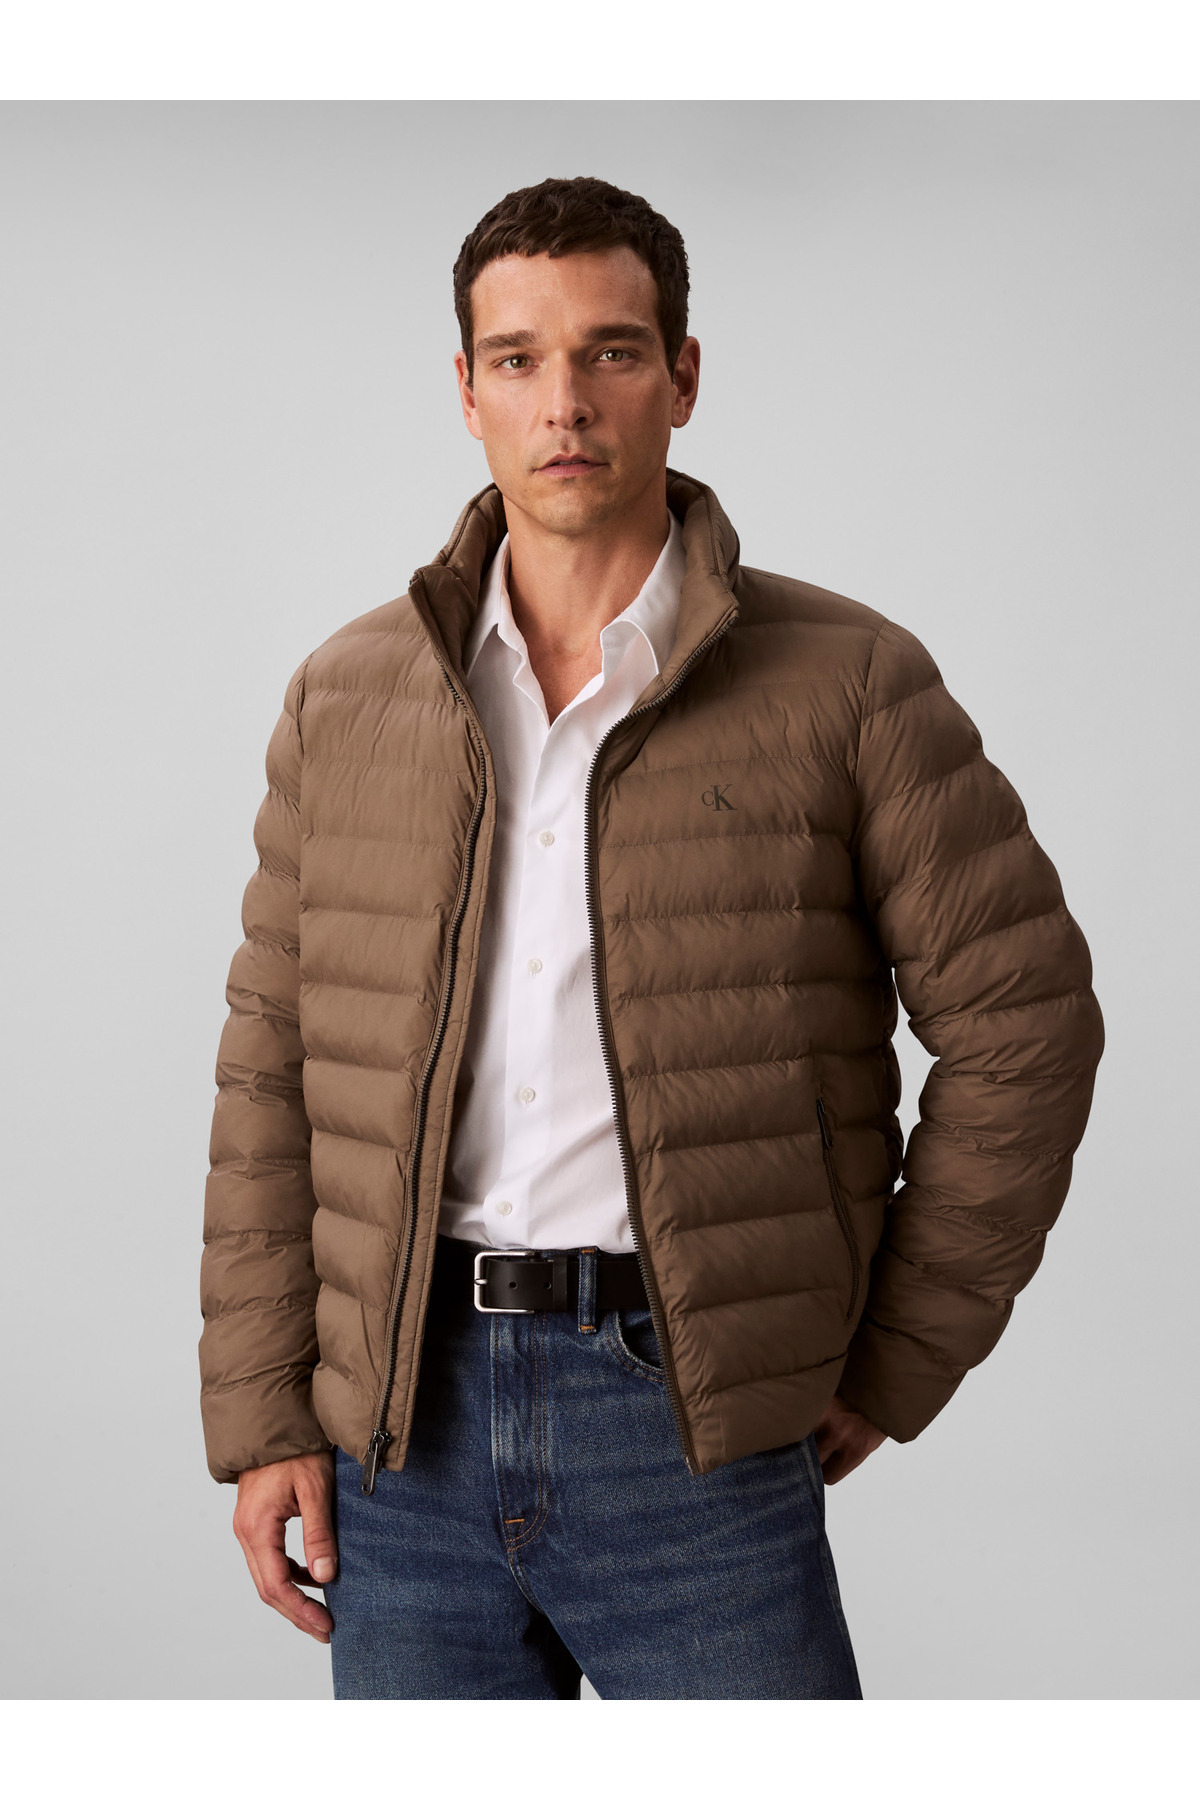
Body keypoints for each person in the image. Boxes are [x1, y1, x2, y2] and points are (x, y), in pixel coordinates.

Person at [199, 175, 1104, 1700]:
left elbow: (1027, 1025)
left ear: (682, 377)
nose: (564, 402)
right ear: (468, 393)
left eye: (610, 352)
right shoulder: (348, 696)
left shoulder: (849, 683)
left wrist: (896, 1354)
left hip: (690, 1428)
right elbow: (272, 1070)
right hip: (401, 1439)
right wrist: (266, 1410)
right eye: (518, 359)